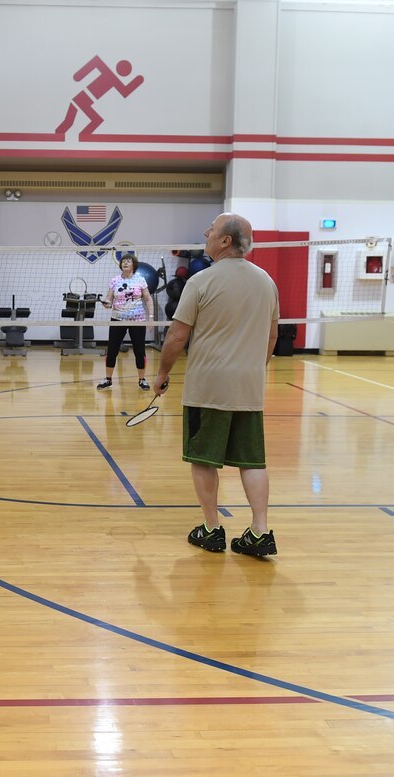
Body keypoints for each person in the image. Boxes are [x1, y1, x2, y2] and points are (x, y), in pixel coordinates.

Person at [153, 213, 280, 557]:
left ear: (225, 241)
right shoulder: (267, 281)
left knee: (204, 459)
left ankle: (211, 528)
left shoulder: (200, 282)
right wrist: (253, 368)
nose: (206, 234)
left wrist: (162, 373)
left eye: (211, 230)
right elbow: (272, 336)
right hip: (249, 387)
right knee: (252, 461)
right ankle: (260, 531)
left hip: (208, 387)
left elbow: (177, 335)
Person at [97, 252, 153, 391]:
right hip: (117, 318)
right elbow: (109, 298)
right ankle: (108, 379)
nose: (125, 263)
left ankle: (142, 379)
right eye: (123, 261)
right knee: (112, 350)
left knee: (139, 351)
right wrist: (107, 303)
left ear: (134, 265)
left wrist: (151, 318)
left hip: (137, 320)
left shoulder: (140, 279)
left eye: (128, 261)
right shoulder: (115, 280)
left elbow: (148, 299)